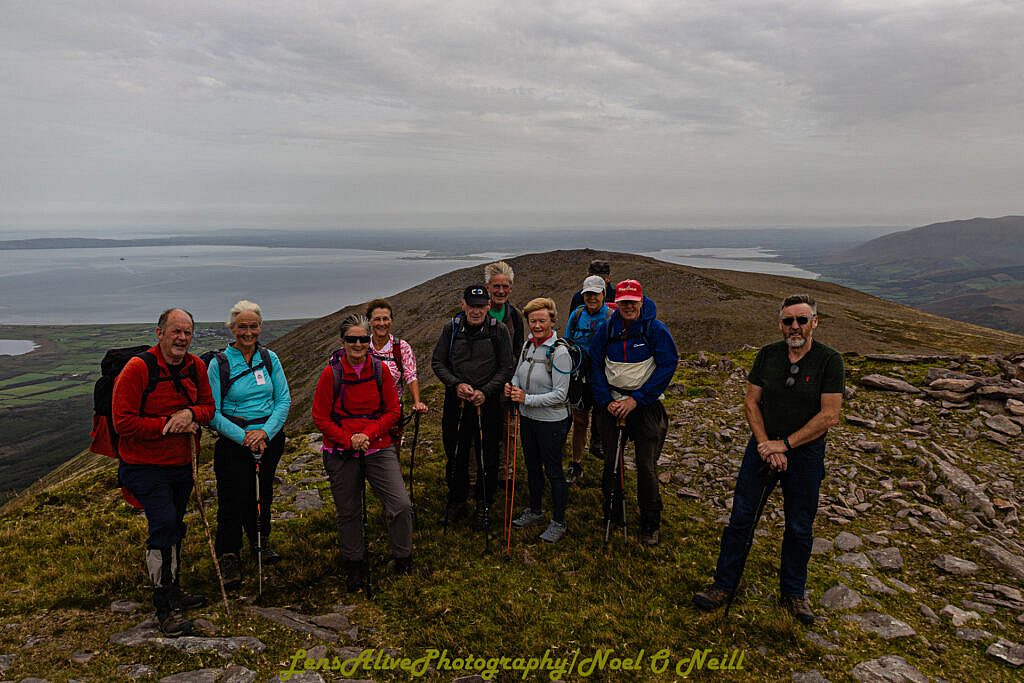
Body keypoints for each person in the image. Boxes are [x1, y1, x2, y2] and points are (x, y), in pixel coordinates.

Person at [693, 294, 844, 625]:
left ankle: (793, 593)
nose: (795, 326)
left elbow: (829, 415)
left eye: (802, 320)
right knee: (741, 519)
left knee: (799, 526)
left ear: (814, 323)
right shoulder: (768, 355)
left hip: (804, 455)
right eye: (788, 320)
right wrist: (766, 445)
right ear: (780, 324)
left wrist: (785, 446)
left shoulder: (829, 361)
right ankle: (722, 585)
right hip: (762, 448)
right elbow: (751, 402)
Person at [113, 308, 215, 637]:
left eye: (187, 332)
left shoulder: (196, 367)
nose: (182, 338)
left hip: (182, 465)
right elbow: (122, 422)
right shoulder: (138, 369)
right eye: (175, 331)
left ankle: (173, 589)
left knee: (175, 525)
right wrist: (169, 425)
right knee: (164, 525)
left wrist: (190, 413)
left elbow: (209, 408)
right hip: (143, 467)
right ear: (159, 333)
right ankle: (164, 606)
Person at [312, 314, 414, 592]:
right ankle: (354, 563)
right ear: (342, 341)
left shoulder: (380, 370)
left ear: (370, 341)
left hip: (377, 446)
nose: (358, 344)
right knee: (348, 510)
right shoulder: (330, 374)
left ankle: (403, 557)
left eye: (363, 339)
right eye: (352, 339)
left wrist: (366, 435)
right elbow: (320, 417)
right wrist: (348, 440)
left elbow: (393, 411)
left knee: (400, 505)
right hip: (340, 450)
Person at [206, 300, 291, 589]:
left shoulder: (270, 359)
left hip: (269, 438)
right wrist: (245, 437)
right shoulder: (219, 364)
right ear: (232, 328)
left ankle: (260, 540)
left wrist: (264, 433)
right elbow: (212, 412)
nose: (248, 332)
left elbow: (283, 400)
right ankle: (229, 553)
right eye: (242, 326)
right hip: (234, 441)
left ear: (260, 327)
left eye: (253, 326)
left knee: (262, 491)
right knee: (232, 497)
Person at [590, 280, 678, 546]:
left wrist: (636, 400)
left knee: (645, 466)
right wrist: (607, 401)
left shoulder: (655, 329)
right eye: (623, 302)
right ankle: (613, 513)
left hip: (645, 407)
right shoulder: (607, 329)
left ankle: (650, 522)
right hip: (612, 405)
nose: (628, 306)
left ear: (641, 301)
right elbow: (594, 365)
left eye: (633, 302)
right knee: (611, 463)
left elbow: (667, 365)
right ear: (616, 303)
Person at [431, 285, 514, 531]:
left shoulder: (498, 331)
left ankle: (483, 504)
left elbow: (506, 367)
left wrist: (485, 392)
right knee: (455, 453)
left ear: (488, 306)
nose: (476, 311)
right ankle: (456, 500)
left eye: (480, 306)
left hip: (486, 405)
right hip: (456, 403)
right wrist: (456, 385)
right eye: (472, 305)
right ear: (463, 304)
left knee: (486, 455)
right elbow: (438, 361)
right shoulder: (452, 329)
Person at [505, 298, 572, 543]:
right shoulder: (527, 347)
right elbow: (518, 375)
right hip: (529, 419)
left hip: (552, 422)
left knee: (554, 471)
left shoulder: (560, 352)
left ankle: (559, 521)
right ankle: (535, 511)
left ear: (552, 321)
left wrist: (526, 398)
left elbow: (560, 395)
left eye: (542, 320)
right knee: (533, 467)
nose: (536, 325)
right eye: (533, 321)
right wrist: (512, 387)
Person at [563, 275, 615, 483]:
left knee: (604, 423)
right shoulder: (576, 315)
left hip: (603, 378)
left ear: (603, 294)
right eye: (588, 294)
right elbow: (567, 341)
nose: (591, 298)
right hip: (580, 376)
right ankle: (576, 464)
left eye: (595, 293)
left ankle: (610, 467)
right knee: (579, 420)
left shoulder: (612, 316)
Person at [365, 298, 428, 415]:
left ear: (392, 321)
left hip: (392, 411)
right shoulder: (362, 346)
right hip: (363, 410)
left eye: (386, 319)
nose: (382, 323)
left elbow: (411, 376)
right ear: (369, 322)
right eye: (377, 319)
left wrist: (417, 402)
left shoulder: (401, 347)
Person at [484, 261, 525, 352]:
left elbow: (518, 349)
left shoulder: (515, 315)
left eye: (505, 286)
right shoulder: (477, 315)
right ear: (487, 287)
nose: (501, 291)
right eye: (496, 286)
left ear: (510, 289)